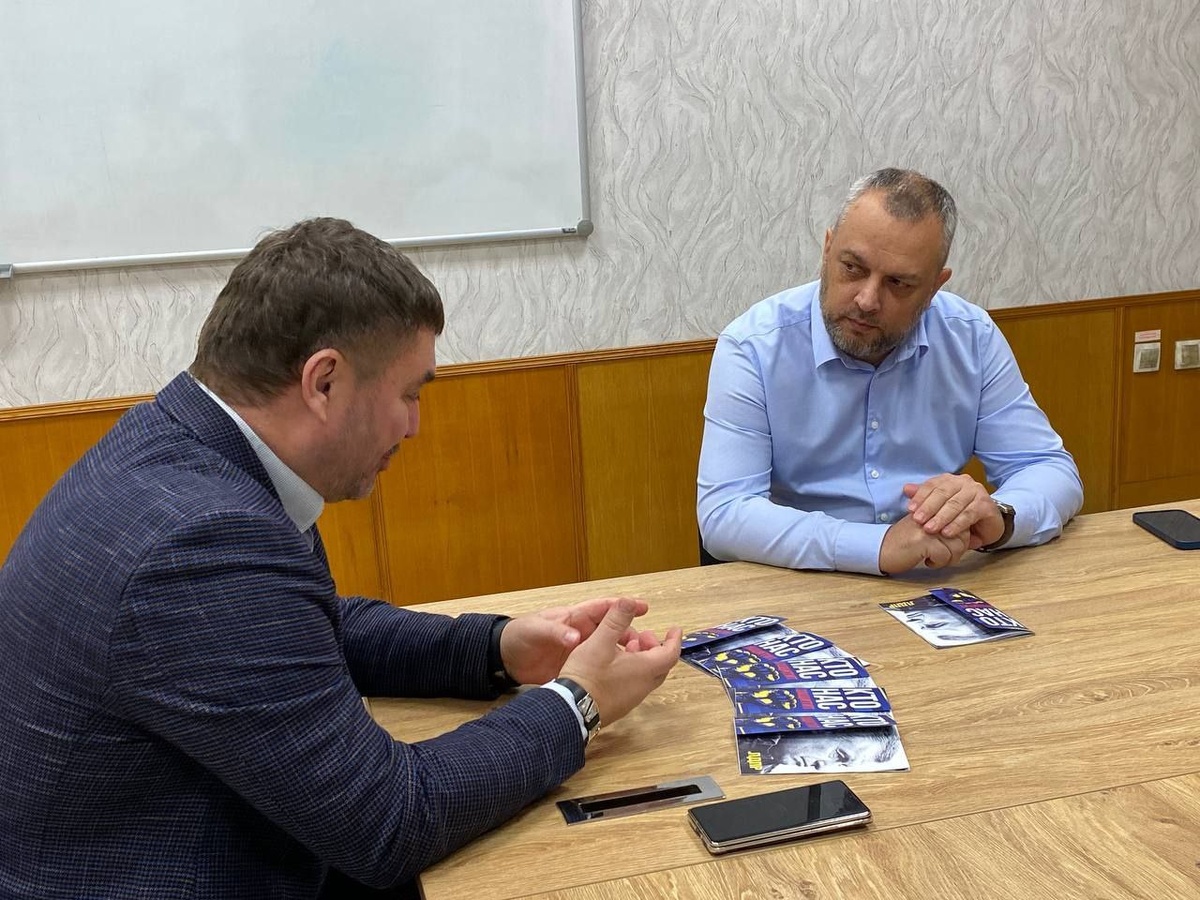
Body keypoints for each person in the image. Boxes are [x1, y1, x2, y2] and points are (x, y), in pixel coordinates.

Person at [0, 218, 682, 899]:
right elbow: (389, 821)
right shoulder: (204, 539)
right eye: (410, 393)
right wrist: (578, 703)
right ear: (323, 382)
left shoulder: (180, 448)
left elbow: (306, 629)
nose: (415, 425)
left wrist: (497, 648)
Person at [697, 168, 1084, 575]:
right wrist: (877, 546)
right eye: (852, 268)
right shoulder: (754, 346)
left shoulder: (971, 337)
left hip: (935, 578)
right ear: (827, 250)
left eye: (898, 283)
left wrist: (1001, 517)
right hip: (801, 582)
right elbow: (725, 514)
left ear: (934, 287)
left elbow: (1049, 469)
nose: (867, 300)